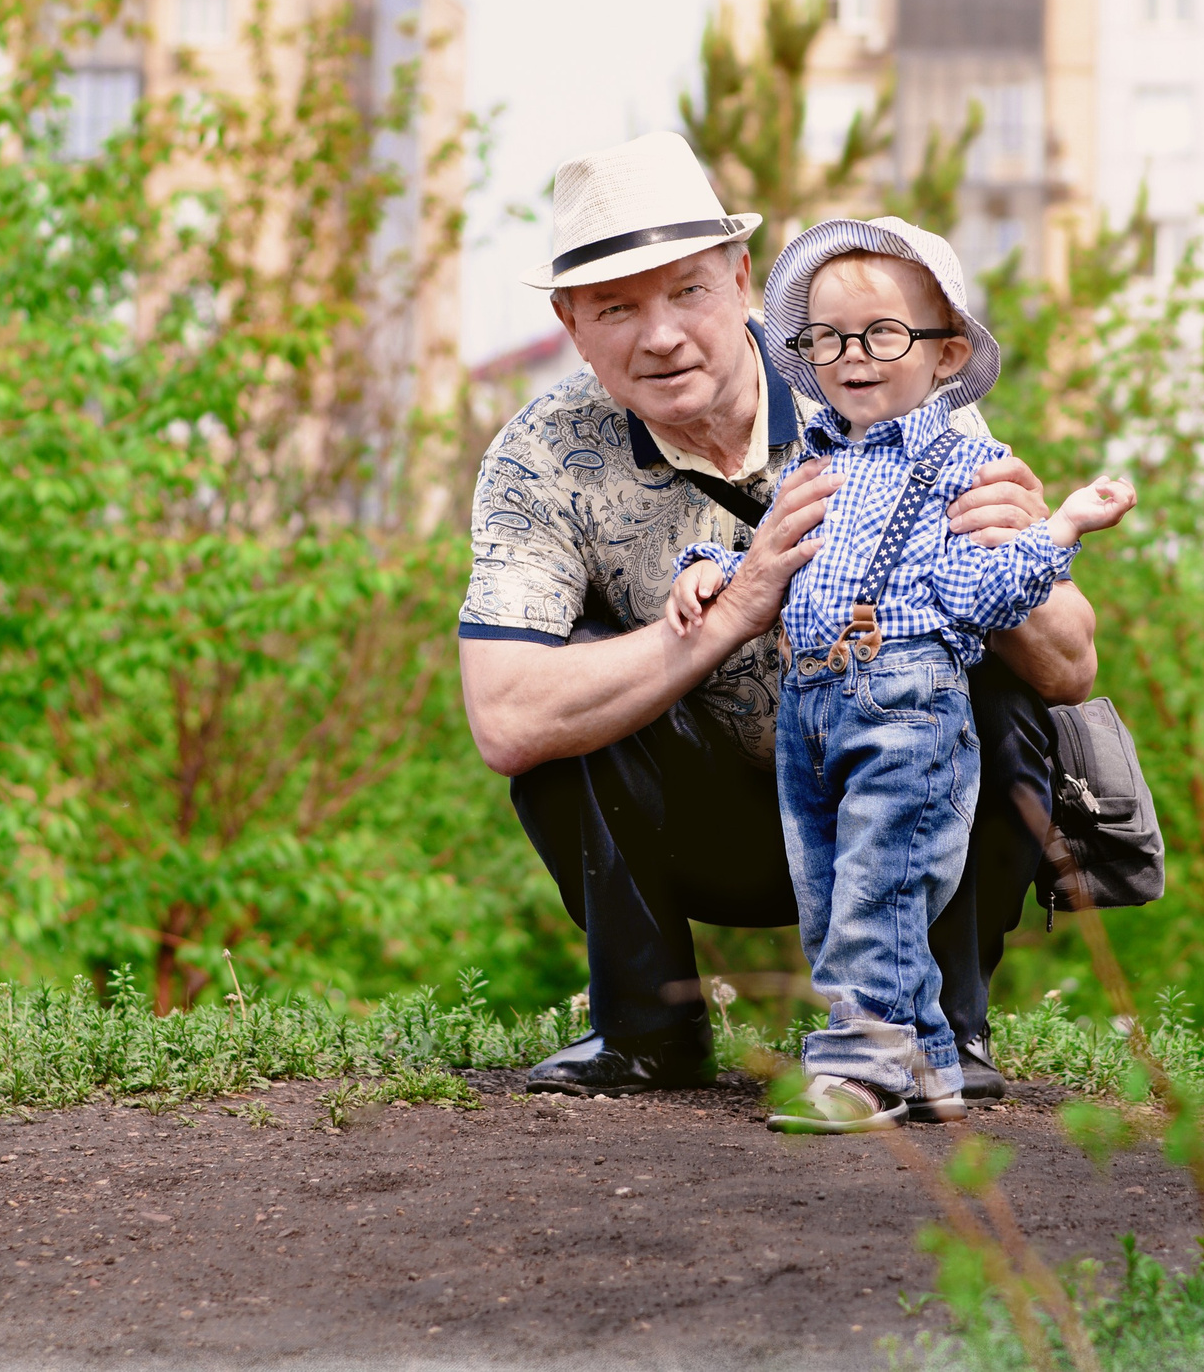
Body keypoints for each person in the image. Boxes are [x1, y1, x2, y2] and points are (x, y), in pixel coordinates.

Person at [457, 131, 1102, 1099]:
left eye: (687, 290)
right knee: (571, 683)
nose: (661, 335)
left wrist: (1005, 549)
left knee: (999, 686)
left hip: (901, 796)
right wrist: (733, 610)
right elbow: (505, 717)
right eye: (617, 307)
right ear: (571, 322)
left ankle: (938, 1032)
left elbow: (1070, 670)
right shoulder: (537, 456)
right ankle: (647, 1031)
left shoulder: (881, 378)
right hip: (706, 829)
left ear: (740, 278)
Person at [668, 221, 1135, 1132]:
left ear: (945, 353)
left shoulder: (963, 467)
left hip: (906, 703)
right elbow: (776, 556)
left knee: (879, 890)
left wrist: (1059, 530)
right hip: (811, 710)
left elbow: (979, 591)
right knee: (832, 892)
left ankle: (859, 1068)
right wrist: (710, 570)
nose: (853, 357)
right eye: (829, 338)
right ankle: (926, 1063)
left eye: (882, 335)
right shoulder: (818, 460)